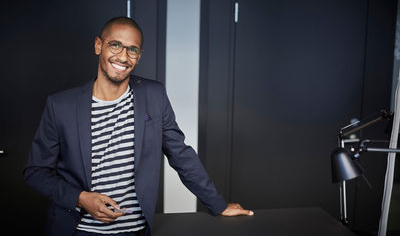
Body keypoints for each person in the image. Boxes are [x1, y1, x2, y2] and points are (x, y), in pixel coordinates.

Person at [24, 16, 253, 236]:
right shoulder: (60, 105)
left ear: (139, 55)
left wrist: (218, 204)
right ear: (98, 46)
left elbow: (180, 154)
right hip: (79, 230)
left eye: (132, 49)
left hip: (135, 231)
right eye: (115, 45)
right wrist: (80, 197)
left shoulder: (154, 96)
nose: (123, 57)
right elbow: (36, 172)